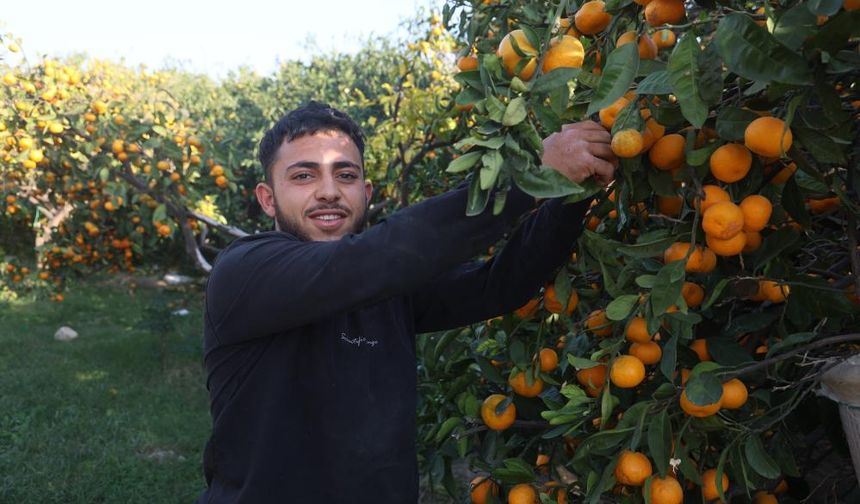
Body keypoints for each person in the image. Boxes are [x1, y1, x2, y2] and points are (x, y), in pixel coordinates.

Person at [196, 101, 616, 503]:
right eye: (304, 176)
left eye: (345, 176)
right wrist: (528, 176)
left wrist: (569, 192)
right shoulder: (244, 272)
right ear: (267, 198)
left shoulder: (387, 286)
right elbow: (379, 256)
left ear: (366, 191)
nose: (328, 192)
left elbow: (498, 285)